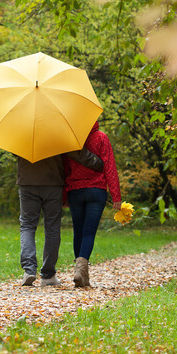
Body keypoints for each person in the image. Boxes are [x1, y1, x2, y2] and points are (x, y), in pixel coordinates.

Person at [17, 148, 102, 287]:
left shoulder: (21, 129)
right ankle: (48, 275)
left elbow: (16, 151)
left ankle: (29, 270)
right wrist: (97, 162)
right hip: (53, 181)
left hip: (27, 180)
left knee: (27, 225)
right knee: (52, 227)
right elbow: (74, 151)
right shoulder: (57, 128)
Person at [64, 120, 121, 288]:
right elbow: (109, 167)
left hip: (75, 190)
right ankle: (81, 273)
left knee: (78, 231)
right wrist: (116, 196)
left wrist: (64, 195)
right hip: (96, 191)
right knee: (88, 233)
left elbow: (65, 168)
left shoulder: (71, 141)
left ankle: (80, 273)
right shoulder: (101, 137)